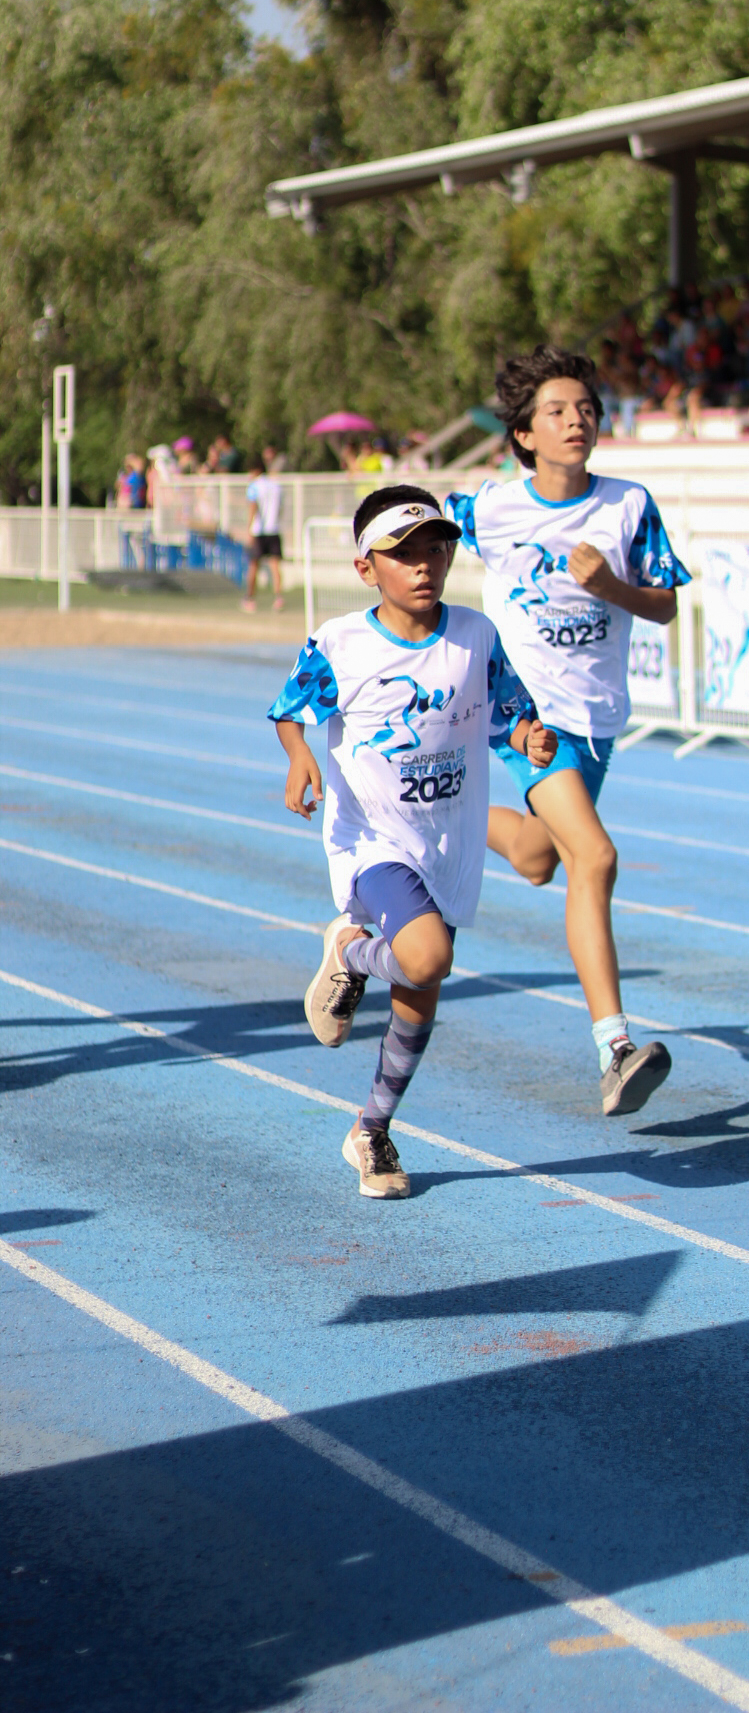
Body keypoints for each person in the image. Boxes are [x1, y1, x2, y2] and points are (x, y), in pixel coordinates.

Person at [268, 487, 554, 1197]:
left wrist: (529, 736)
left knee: (419, 986)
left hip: (448, 840)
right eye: (403, 553)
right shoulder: (340, 642)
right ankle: (347, 948)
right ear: (368, 568)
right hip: (372, 839)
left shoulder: (475, 635)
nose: (424, 565)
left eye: (436, 548)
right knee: (429, 956)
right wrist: (299, 757)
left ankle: (372, 1129)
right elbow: (289, 710)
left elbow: (510, 713)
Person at [445, 346, 690, 1116]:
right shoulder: (487, 507)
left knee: (536, 857)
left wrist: (609, 585)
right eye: (556, 411)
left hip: (596, 720)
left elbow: (664, 603)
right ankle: (615, 1047)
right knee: (596, 855)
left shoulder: (627, 505)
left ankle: (414, 808)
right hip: (523, 718)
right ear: (523, 434)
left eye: (585, 408)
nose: (576, 420)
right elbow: (403, 537)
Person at [243, 456, 286, 612]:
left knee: (254, 565)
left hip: (259, 531)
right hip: (274, 529)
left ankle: (250, 598)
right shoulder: (276, 486)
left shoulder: (254, 486)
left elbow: (253, 507)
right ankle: (279, 598)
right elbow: (280, 508)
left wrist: (249, 529)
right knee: (275, 566)